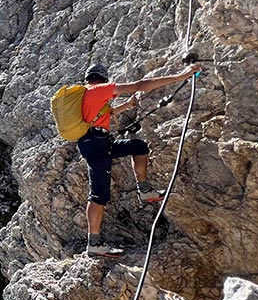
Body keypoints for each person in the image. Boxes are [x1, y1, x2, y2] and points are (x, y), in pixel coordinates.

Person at [78, 62, 202, 257]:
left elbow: (106, 114)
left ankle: (144, 190)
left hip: (96, 143)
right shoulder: (99, 89)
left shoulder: (83, 95)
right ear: (103, 78)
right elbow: (140, 85)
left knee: (139, 147)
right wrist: (180, 77)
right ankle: (94, 243)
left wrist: (127, 105)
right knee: (98, 195)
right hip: (98, 145)